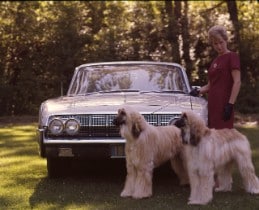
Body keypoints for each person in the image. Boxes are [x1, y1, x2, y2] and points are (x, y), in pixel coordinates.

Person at [190, 25, 241, 129]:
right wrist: (197, 91)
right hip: (213, 104)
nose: (219, 46)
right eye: (215, 44)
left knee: (224, 137)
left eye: (221, 42)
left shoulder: (232, 57)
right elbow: (210, 86)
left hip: (224, 104)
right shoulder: (215, 61)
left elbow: (237, 82)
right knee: (213, 137)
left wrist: (230, 105)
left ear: (226, 40)